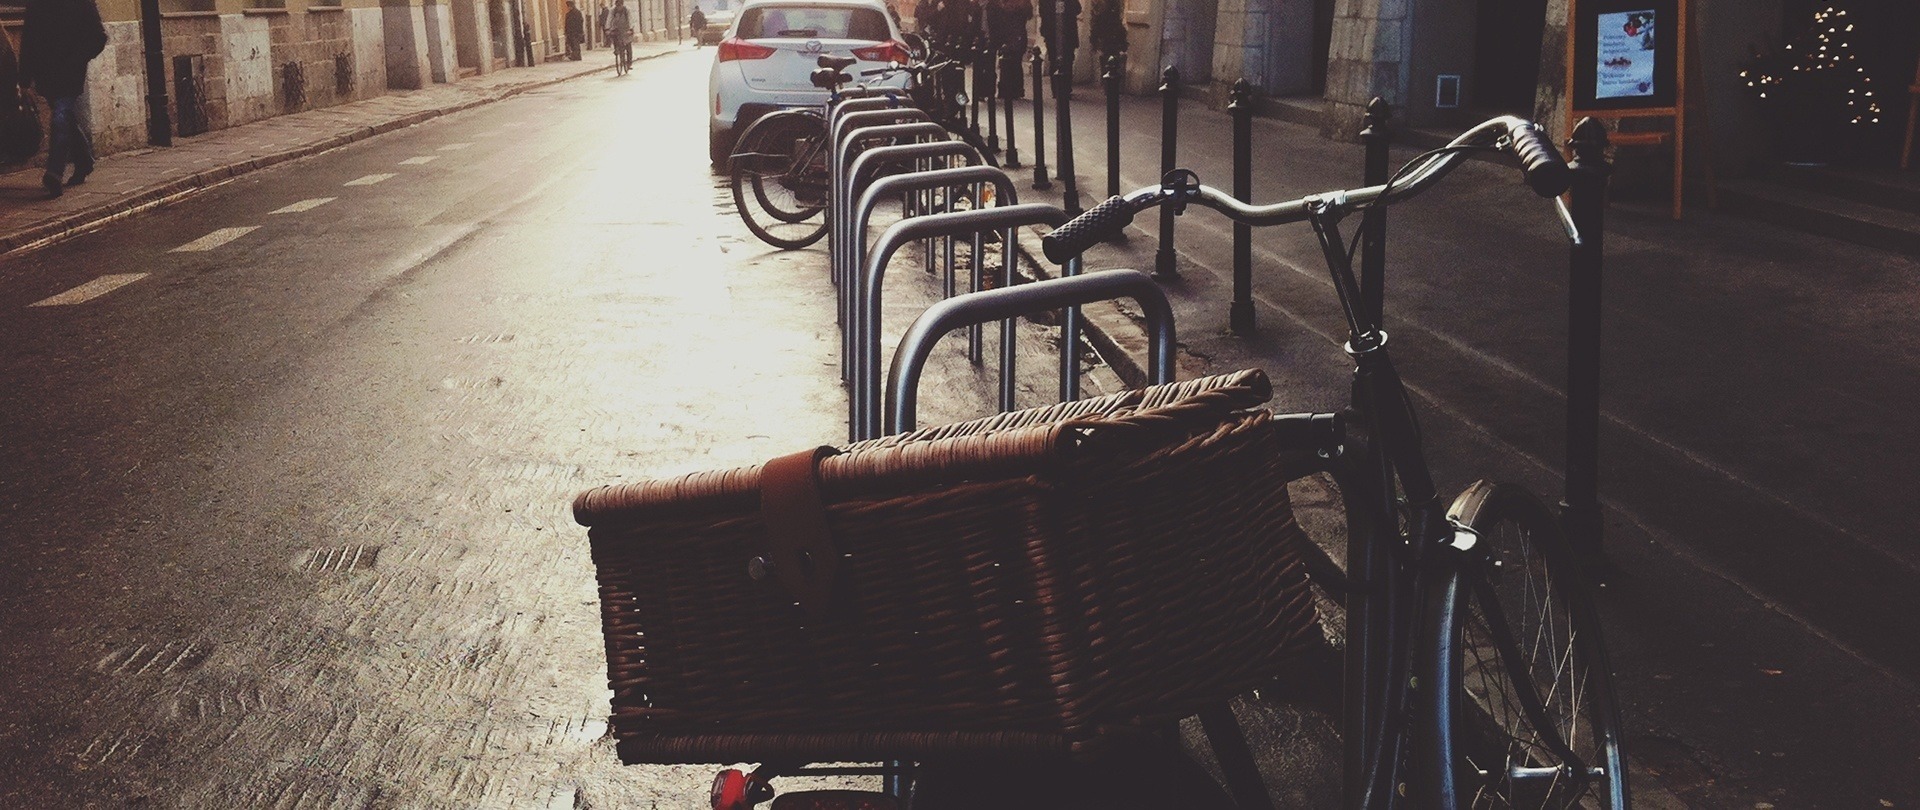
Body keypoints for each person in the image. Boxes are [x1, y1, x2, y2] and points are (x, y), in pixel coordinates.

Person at [19, 0, 107, 198]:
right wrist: (24, 78)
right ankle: (84, 161)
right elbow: (28, 39)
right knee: (65, 117)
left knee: (60, 114)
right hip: (46, 74)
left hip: (70, 72)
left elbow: (98, 37)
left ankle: (55, 172)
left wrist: (77, 60)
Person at [607, 0, 633, 70]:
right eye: (617, 6)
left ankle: (629, 63)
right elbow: (609, 19)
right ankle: (616, 49)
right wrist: (608, 28)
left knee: (628, 45)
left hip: (626, 28)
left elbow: (630, 19)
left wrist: (630, 29)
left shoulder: (627, 10)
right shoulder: (613, 10)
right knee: (614, 37)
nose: (618, 7)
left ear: (622, 5)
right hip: (616, 28)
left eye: (620, 6)